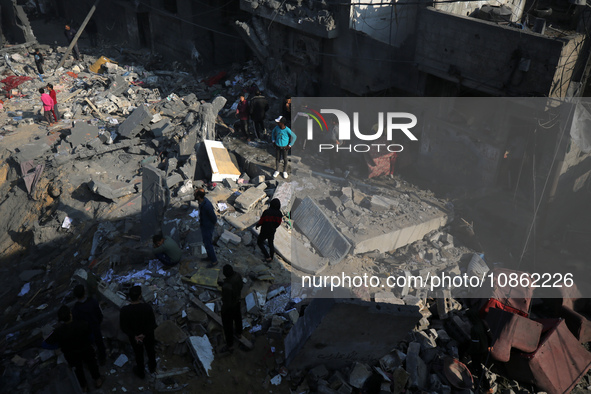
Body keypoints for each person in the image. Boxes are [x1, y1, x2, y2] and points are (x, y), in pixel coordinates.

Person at [43, 305, 103, 392]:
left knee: (78, 370)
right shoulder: (83, 324)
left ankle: (84, 386)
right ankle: (97, 380)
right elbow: (91, 337)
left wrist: (59, 345)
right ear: (70, 314)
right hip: (86, 349)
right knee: (92, 364)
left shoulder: (58, 332)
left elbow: (45, 344)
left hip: (71, 354)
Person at [120, 286, 157, 379]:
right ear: (140, 296)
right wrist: (144, 334)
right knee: (150, 351)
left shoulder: (124, 310)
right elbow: (153, 324)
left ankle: (141, 372)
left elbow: (124, 327)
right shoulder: (147, 308)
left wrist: (135, 336)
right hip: (147, 335)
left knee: (138, 354)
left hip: (134, 337)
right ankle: (152, 367)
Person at [72, 284, 106, 366]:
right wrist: (98, 322)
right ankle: (102, 358)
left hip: (85, 331)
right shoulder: (92, 301)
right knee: (99, 343)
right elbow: (99, 314)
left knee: (89, 346)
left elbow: (76, 322)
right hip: (95, 327)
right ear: (84, 292)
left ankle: (92, 359)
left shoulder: (75, 309)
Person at [219, 264, 243, 353]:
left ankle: (230, 345)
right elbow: (238, 286)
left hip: (229, 307)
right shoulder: (238, 275)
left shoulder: (227, 287)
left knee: (227, 326)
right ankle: (239, 333)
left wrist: (223, 310)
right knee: (238, 318)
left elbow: (226, 302)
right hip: (237, 302)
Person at [194, 188, 218, 267]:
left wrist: (214, 223)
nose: (194, 195)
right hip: (204, 225)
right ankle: (210, 257)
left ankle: (214, 261)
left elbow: (213, 217)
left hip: (207, 226)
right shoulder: (202, 202)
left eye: (195, 194)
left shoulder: (207, 205)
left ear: (199, 196)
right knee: (206, 242)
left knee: (208, 243)